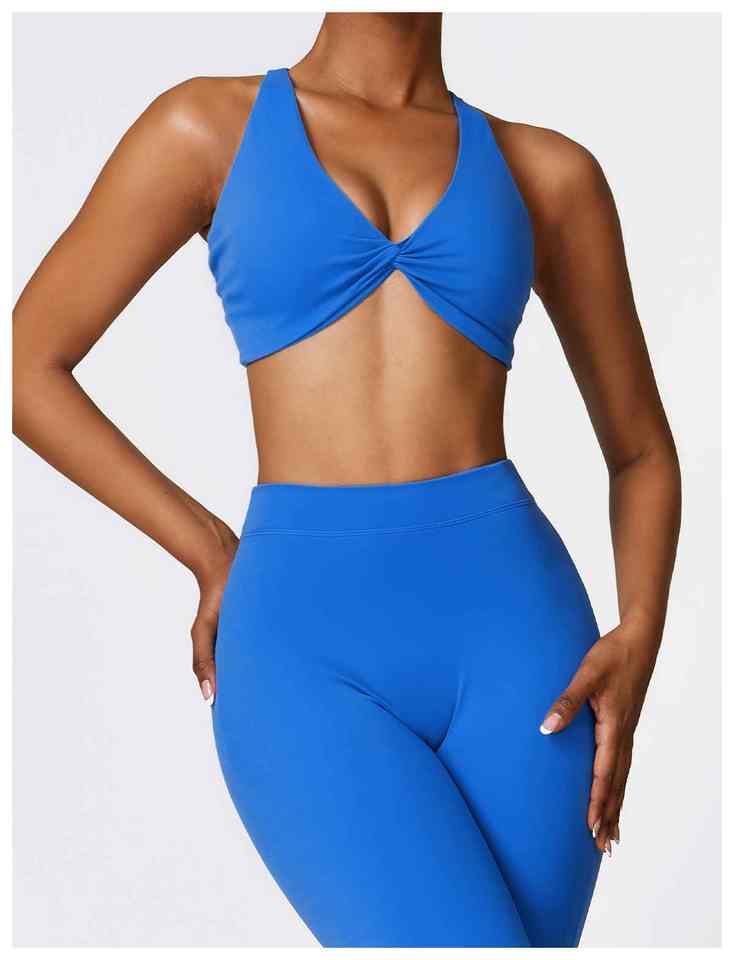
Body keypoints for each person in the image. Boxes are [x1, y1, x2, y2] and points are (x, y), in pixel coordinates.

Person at [12, 12, 681, 949]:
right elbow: (27, 367)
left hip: (522, 648)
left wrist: (641, 633)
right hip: (303, 648)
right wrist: (207, 549)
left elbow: (640, 448)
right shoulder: (205, 127)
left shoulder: (550, 172)